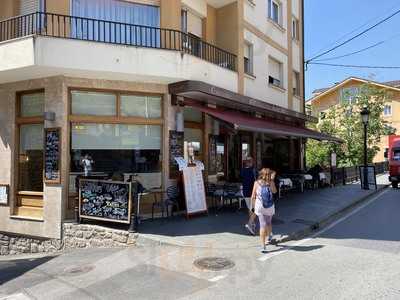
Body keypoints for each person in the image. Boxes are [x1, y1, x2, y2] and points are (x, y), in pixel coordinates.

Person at [251, 167, 277, 253]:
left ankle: (263, 246)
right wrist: (271, 181)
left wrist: (254, 207)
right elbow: (274, 192)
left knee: (262, 225)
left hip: (260, 206)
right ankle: (270, 235)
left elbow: (253, 196)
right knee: (268, 222)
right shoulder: (271, 182)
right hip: (269, 206)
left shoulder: (256, 183)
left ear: (261, 174)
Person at [240, 158, 257, 235]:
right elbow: (256, 180)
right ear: (251, 163)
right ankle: (250, 224)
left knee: (250, 208)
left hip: (245, 191)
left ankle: (252, 225)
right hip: (253, 192)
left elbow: (241, 178)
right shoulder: (253, 170)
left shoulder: (243, 171)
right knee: (255, 209)